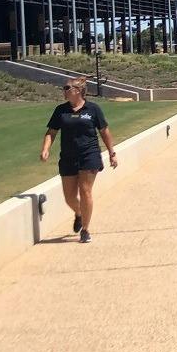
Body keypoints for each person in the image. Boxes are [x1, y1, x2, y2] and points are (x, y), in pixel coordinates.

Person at [39, 78, 118, 242]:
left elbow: (104, 131)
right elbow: (51, 132)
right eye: (64, 88)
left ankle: (86, 230)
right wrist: (45, 149)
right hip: (68, 156)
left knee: (85, 190)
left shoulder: (93, 109)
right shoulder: (61, 110)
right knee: (69, 197)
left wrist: (112, 153)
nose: (64, 90)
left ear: (78, 90)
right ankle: (79, 213)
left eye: (67, 88)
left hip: (89, 154)